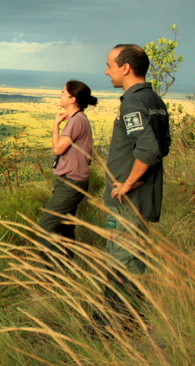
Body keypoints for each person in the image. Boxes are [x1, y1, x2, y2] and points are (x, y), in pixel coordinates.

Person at [103, 44, 171, 315]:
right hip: (146, 196)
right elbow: (163, 145)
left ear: (126, 68)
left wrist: (128, 182)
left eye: (109, 65)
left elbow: (150, 149)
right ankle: (134, 319)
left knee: (120, 258)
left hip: (128, 198)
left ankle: (113, 325)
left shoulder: (132, 102)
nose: (106, 71)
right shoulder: (154, 100)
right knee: (136, 257)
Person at [38, 80, 97, 259]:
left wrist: (55, 125)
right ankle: (67, 266)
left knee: (47, 225)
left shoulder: (76, 121)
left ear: (73, 99)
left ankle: (53, 269)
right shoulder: (77, 120)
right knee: (65, 226)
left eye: (63, 93)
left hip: (71, 183)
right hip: (71, 181)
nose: (60, 95)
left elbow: (58, 149)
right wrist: (57, 124)